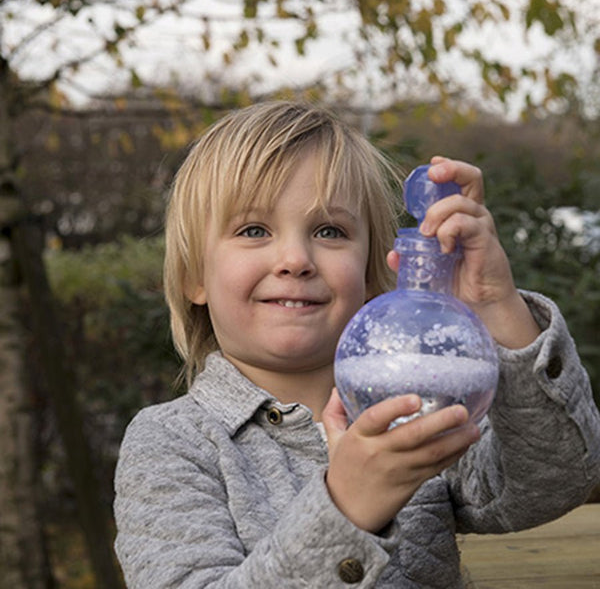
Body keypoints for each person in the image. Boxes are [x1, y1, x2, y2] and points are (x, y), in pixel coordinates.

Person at [114, 101, 600, 588]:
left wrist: (499, 307)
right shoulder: (172, 442)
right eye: (253, 230)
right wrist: (347, 506)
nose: (295, 259)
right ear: (192, 277)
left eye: (330, 231)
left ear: (372, 275)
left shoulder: (415, 405)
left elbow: (555, 480)